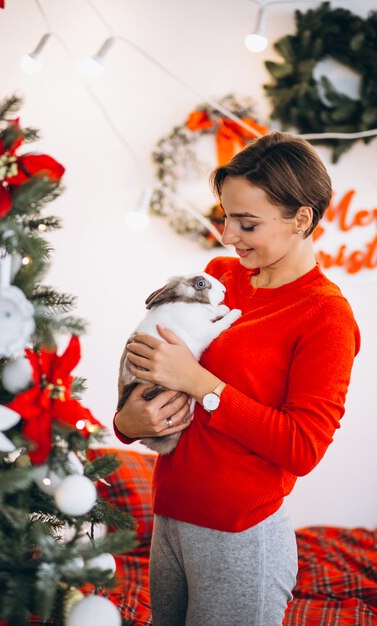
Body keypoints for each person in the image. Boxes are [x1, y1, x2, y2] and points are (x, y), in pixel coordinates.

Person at [114, 131, 361, 626]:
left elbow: (302, 448)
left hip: (239, 534)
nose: (228, 236)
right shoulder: (219, 277)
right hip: (171, 516)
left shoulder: (325, 316)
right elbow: (157, 370)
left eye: (247, 223)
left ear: (302, 219)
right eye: (226, 217)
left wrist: (201, 383)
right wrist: (129, 421)